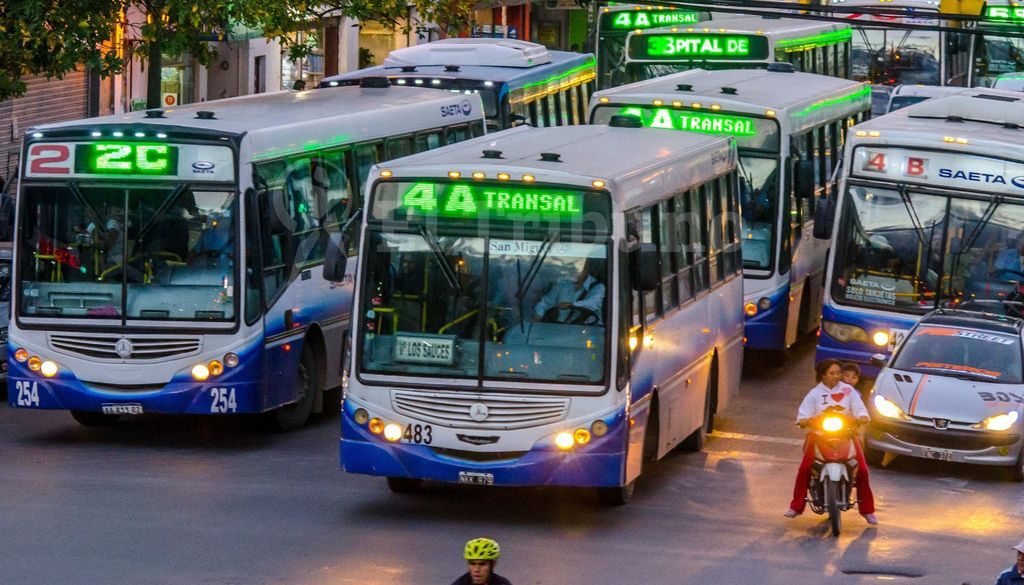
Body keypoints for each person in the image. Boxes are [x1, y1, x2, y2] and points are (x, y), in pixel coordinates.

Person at [784, 358, 878, 525]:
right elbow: (803, 415)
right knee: (805, 468)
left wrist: (862, 417)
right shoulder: (814, 394)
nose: (836, 376)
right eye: (832, 373)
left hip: (847, 435)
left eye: (838, 373)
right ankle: (796, 506)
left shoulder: (849, 391)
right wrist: (805, 420)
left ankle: (868, 510)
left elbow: (860, 410)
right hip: (819, 436)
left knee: (862, 470)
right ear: (823, 375)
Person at [533, 257, 605, 324]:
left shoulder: (598, 287)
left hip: (588, 330)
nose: (574, 271)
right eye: (571, 268)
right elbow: (546, 302)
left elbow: (594, 303)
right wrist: (539, 315)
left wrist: (571, 305)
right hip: (559, 329)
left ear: (587, 269)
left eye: (578, 268)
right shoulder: (563, 284)